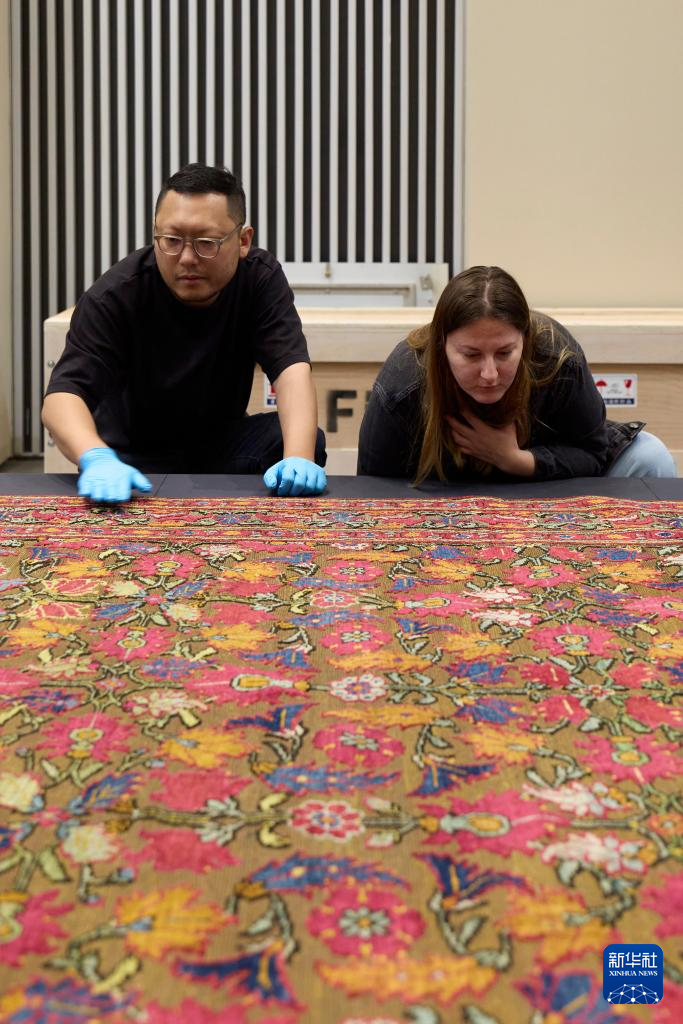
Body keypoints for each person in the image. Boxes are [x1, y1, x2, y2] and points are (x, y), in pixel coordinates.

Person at [42, 163, 327, 501]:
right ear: (155, 234)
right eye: (172, 240)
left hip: (221, 447)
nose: (187, 258)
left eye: (206, 243)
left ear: (243, 241)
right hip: (133, 457)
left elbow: (291, 370)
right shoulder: (118, 294)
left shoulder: (258, 279)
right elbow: (62, 396)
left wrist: (299, 457)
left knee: (302, 439)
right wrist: (95, 456)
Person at [357, 265, 677, 482]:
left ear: (525, 340)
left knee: (650, 455)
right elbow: (371, 493)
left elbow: (593, 452)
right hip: (443, 506)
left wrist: (513, 459)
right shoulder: (403, 383)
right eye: (471, 355)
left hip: (548, 488)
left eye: (505, 353)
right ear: (442, 346)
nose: (490, 374)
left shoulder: (557, 356)